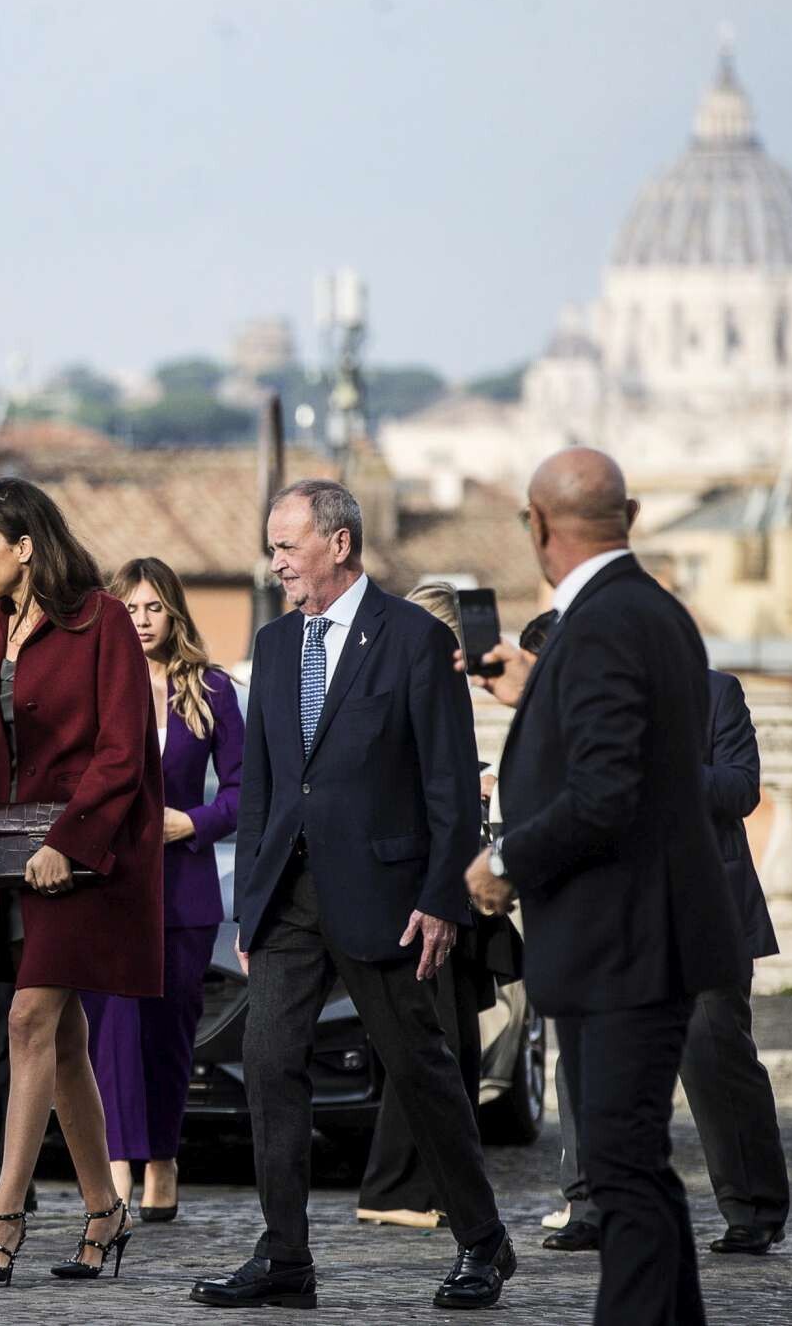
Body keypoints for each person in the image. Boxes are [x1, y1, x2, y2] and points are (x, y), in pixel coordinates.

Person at [191, 479, 512, 1312]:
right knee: (269, 1065)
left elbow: (450, 782)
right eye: (271, 546)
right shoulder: (273, 643)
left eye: (286, 545)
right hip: (287, 900)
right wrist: (251, 903)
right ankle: (284, 1255)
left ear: (338, 543)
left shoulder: (413, 638)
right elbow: (263, 790)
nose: (275, 562)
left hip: (389, 900)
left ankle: (483, 1240)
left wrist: (442, 897)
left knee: (419, 1069)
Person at [463, 447, 746, 1324]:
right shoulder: (652, 610)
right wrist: (539, 689)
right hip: (644, 935)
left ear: (538, 524)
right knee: (638, 1171)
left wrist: (503, 862)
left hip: (624, 941)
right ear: (629, 517)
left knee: (621, 1168)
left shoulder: (600, 623)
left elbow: (604, 793)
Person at [0, 475, 164, 1284]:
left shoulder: (103, 619)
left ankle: (5, 1214)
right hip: (9, 857)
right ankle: (105, 1211)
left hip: (86, 856)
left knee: (27, 1020)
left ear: (24, 547)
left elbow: (124, 750)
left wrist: (66, 841)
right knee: (63, 1040)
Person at [502, 660, 790, 1259]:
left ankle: (753, 1210)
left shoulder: (716, 693)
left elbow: (741, 788)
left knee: (714, 1057)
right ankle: (590, 1206)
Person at [352, 580, 517, 1231]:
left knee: (452, 1042)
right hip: (421, 887)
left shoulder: (437, 689)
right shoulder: (400, 688)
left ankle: (436, 1184)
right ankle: (395, 1186)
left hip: (445, 884)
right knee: (434, 1043)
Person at [82, 557, 243, 1224]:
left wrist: (195, 822)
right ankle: (118, 1164)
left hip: (183, 888)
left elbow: (245, 790)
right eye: (130, 608)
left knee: (168, 1031)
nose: (142, 620)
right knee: (111, 1028)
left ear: (173, 613)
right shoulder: (91, 682)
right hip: (104, 885)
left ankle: (163, 1159)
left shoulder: (211, 688)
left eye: (154, 608)